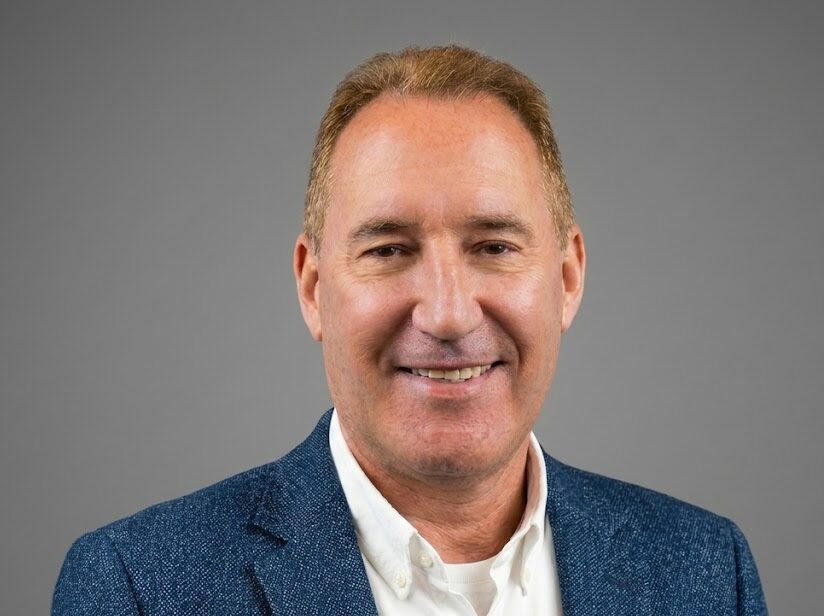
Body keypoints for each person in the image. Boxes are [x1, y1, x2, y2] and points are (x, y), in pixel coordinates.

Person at [52, 45, 767, 615]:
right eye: (389, 250)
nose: (448, 315)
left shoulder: (705, 574)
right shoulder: (136, 589)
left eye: (494, 246)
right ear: (314, 287)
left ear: (568, 277)